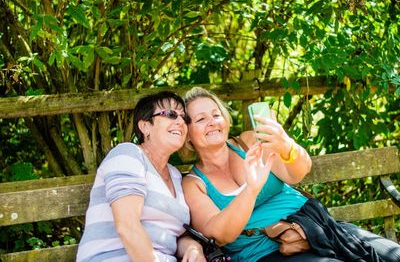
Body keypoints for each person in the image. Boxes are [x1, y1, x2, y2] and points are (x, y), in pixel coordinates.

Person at [181, 87, 400, 262]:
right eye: (200, 119)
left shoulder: (248, 142)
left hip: (316, 226)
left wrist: (286, 145)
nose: (212, 122)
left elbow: (298, 172)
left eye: (216, 114)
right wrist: (251, 190)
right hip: (263, 252)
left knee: (394, 254)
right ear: (187, 134)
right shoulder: (194, 184)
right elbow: (220, 235)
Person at [77, 91, 206, 262]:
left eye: (184, 118)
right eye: (170, 114)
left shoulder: (174, 175)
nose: (180, 122)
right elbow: (127, 226)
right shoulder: (128, 155)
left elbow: (171, 236)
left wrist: (193, 247)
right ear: (145, 126)